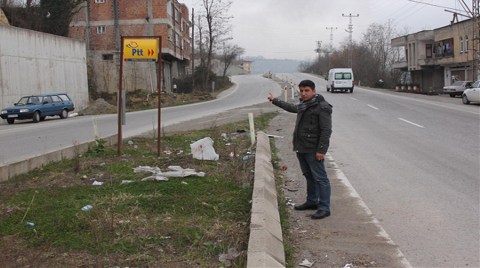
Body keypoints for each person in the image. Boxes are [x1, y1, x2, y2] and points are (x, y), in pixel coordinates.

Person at [268, 79, 333, 220]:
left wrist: (321, 150)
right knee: (309, 176)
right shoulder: (305, 104)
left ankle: (324, 207)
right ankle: (312, 201)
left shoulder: (322, 107)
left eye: (307, 91)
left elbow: (326, 130)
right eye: (302, 90)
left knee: (321, 179)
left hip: (313, 149)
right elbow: (293, 108)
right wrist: (275, 101)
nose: (303, 93)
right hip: (301, 147)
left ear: (314, 91)